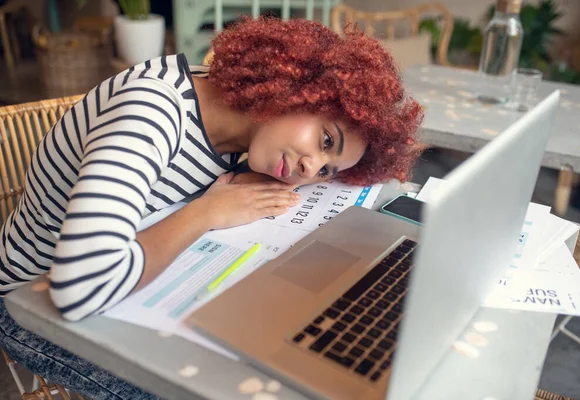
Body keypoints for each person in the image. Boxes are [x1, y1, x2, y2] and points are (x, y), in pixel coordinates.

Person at [0, 16, 423, 399]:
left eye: (327, 172)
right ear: (297, 88)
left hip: (133, 293)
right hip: (30, 305)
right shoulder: (153, 109)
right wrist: (207, 212)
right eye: (326, 139)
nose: (310, 168)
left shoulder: (244, 129)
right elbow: (80, 288)